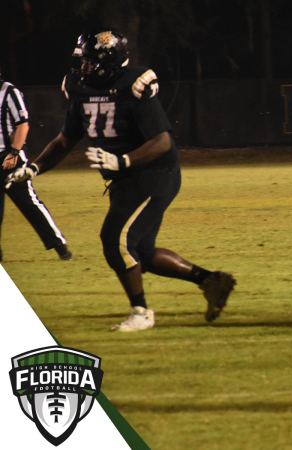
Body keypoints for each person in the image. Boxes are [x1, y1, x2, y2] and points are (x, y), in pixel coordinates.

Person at [5, 29, 236, 332]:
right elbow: (65, 140)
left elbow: (163, 141)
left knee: (116, 241)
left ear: (108, 61)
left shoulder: (132, 87)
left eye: (89, 61)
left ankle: (140, 312)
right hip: (123, 181)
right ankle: (211, 281)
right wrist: (34, 168)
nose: (83, 67)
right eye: (82, 60)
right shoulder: (81, 89)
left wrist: (123, 160)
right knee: (141, 253)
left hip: (154, 174)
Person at [0, 65, 71, 262]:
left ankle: (60, 246)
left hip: (9, 156)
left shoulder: (9, 92)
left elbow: (23, 123)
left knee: (28, 203)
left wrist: (14, 152)